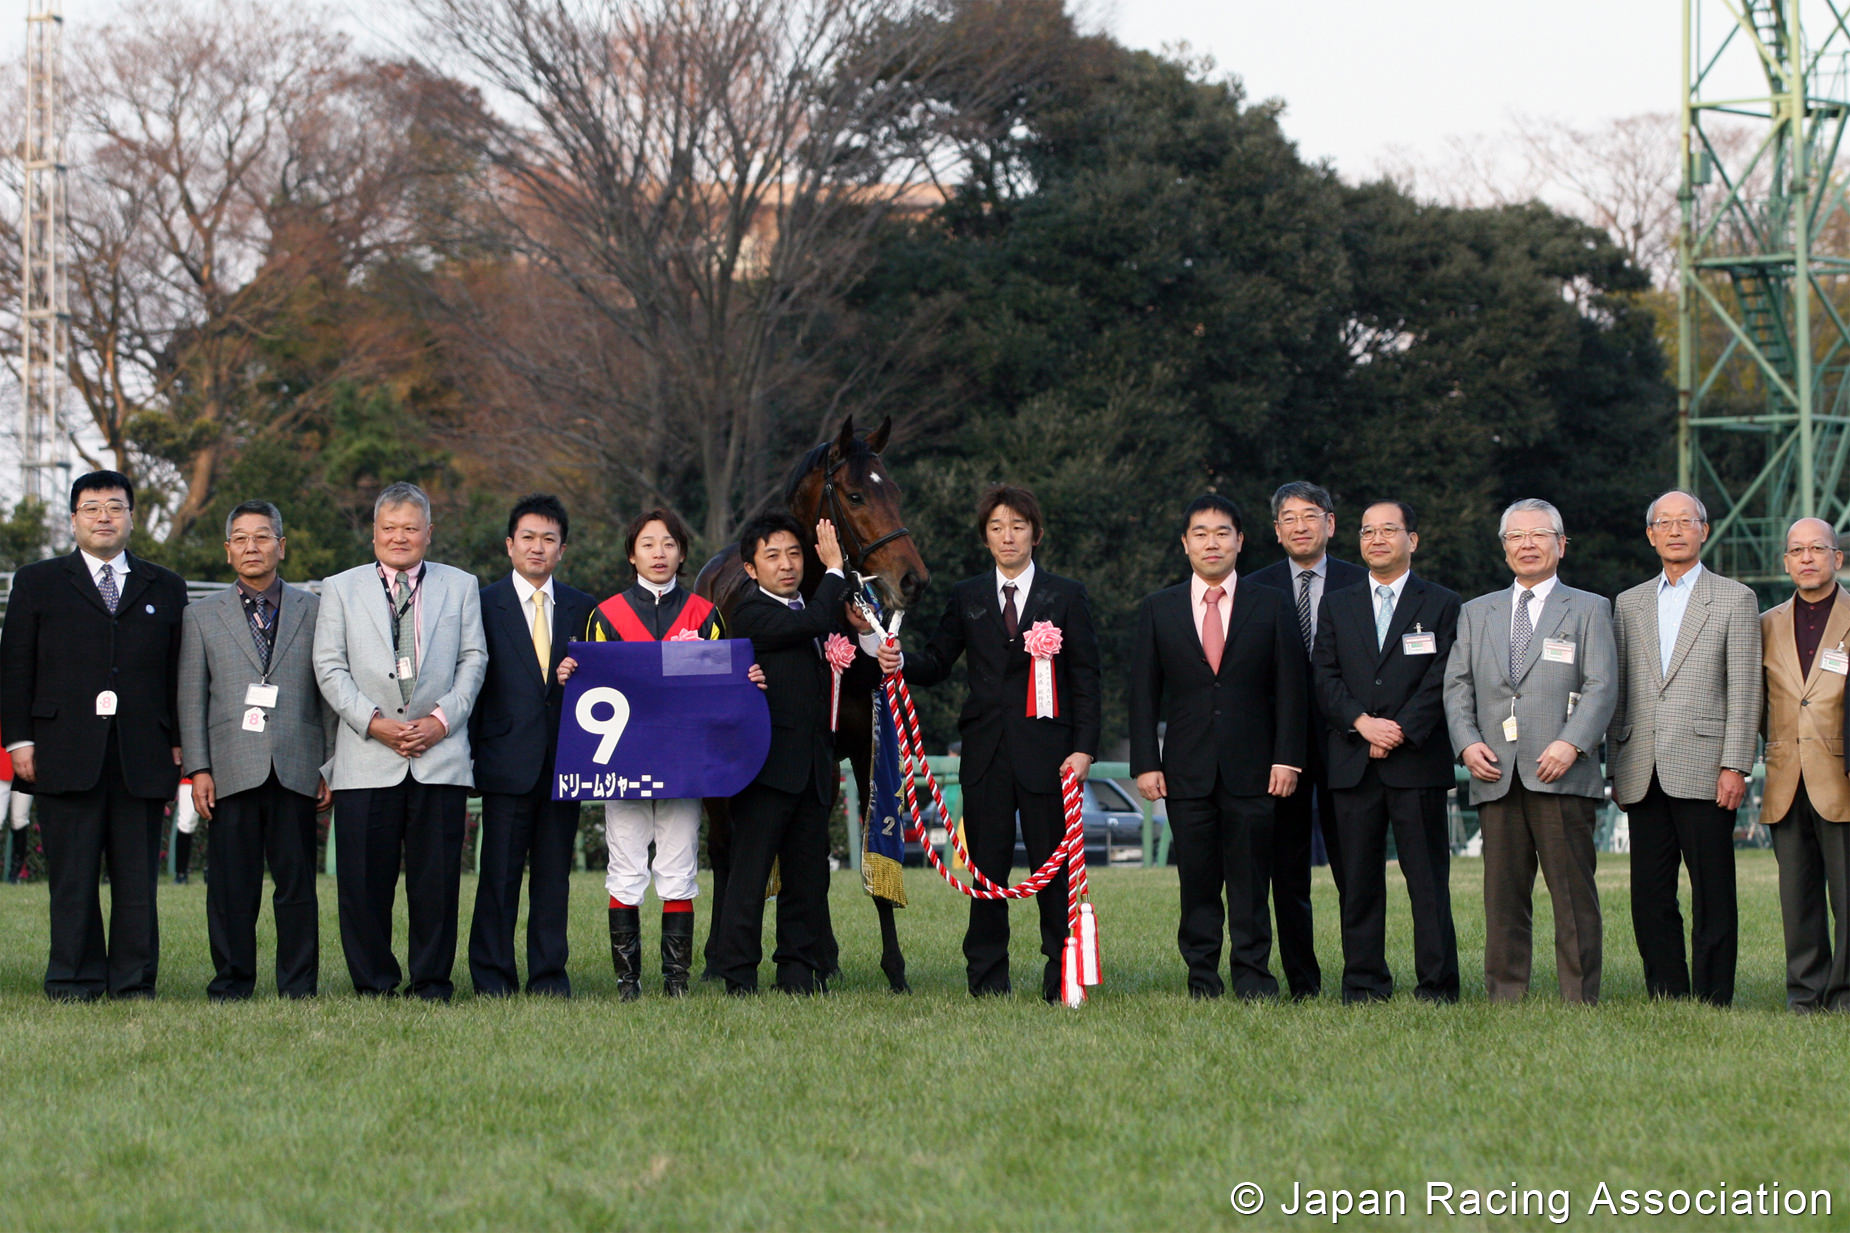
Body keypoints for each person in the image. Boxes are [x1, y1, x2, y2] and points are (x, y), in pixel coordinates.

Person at [874, 484, 1102, 1001]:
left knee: (1055, 870)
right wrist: (901, 661)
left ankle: (1061, 975)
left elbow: (1087, 679)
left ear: (1036, 535)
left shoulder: (1066, 595)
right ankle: (986, 978)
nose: (1007, 536)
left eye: (1018, 526)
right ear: (985, 538)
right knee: (985, 873)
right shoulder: (968, 595)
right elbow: (935, 661)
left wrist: (1084, 748)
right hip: (985, 755)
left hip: (1051, 757)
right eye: (997, 527)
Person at [0, 470, 188, 1000]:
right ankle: (73, 979)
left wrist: (180, 741)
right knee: (72, 878)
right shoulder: (36, 581)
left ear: (132, 516)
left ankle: (132, 982)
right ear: (73, 518)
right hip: (62, 750)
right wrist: (19, 741)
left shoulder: (166, 586)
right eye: (91, 507)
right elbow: (15, 667)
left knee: (136, 882)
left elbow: (180, 672)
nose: (103, 516)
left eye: (114, 506)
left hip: (143, 752)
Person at [313, 482, 487, 1001]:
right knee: (364, 884)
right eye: (389, 528)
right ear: (373, 534)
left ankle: (432, 981)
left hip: (439, 754)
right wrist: (373, 722)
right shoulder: (340, 588)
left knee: (436, 884)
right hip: (367, 754)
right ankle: (373, 982)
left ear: (428, 533)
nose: (399, 537)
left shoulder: (461, 586)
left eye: (410, 528)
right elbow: (329, 666)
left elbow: (473, 660)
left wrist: (440, 721)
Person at [1129, 493, 1306, 999]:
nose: (1212, 542)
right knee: (1197, 886)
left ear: (1241, 541)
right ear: (1185, 543)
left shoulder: (1271, 604)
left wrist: (1287, 756)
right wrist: (1146, 762)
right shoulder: (1158, 608)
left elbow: (1292, 688)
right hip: (1185, 771)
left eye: (1223, 532)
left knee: (1252, 886)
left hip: (1256, 770)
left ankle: (1254, 981)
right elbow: (1143, 694)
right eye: (1201, 533)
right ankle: (1202, 981)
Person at [1442, 498, 1616, 1004]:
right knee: (1502, 897)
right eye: (1515, 536)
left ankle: (1579, 996)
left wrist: (1572, 742)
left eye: (1539, 535)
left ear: (1561, 545)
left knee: (1572, 896)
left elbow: (1603, 684)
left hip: (1561, 770)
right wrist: (1467, 744)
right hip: (1495, 772)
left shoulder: (1588, 607)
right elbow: (1456, 688)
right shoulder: (1477, 612)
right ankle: (1505, 994)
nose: (1527, 545)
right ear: (1503, 548)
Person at [555, 506, 719, 1001]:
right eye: (648, 544)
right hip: (622, 762)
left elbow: (717, 687)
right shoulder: (604, 615)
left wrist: (746, 678)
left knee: (678, 866)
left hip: (682, 762)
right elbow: (594, 691)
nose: (659, 553)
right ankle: (628, 984)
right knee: (625, 869)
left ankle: (676, 984)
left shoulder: (706, 615)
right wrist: (570, 674)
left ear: (682, 552)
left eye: (668, 544)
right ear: (632, 554)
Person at [1608, 491, 1762, 1006]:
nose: (1675, 531)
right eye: (1663, 523)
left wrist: (1736, 763)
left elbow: (1745, 689)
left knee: (1713, 893)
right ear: (1650, 535)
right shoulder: (1627, 603)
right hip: (1641, 767)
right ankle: (1667, 993)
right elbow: (1620, 691)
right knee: (1649, 895)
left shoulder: (1735, 598)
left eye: (1685, 522)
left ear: (1704, 530)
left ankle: (1714, 996)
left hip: (1705, 765)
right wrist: (1616, 765)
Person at [177, 499, 335, 999]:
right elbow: (191, 696)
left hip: (296, 765)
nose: (252, 547)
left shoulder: (316, 610)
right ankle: (231, 982)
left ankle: (297, 986)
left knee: (296, 888)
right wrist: (198, 768)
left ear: (281, 546)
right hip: (229, 768)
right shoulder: (200, 616)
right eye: (241, 538)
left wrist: (328, 764)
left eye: (263, 536)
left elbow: (330, 691)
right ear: (227, 551)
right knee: (230, 890)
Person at [711, 514, 875, 995]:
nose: (787, 565)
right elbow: (806, 622)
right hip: (762, 770)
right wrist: (836, 573)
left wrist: (865, 634)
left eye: (795, 554)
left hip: (815, 770)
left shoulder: (822, 616)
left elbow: (857, 682)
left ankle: (797, 972)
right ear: (750, 567)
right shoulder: (749, 612)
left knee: (807, 881)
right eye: (773, 556)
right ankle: (738, 975)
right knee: (749, 878)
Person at [1310, 500, 1461, 1003]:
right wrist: (1361, 724)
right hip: (1351, 762)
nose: (1376, 539)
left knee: (1427, 883)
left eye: (1388, 530)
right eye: (1367, 531)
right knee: (1358, 884)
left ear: (1411, 540)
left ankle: (1437, 986)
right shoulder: (1337, 604)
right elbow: (1323, 676)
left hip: (1415, 761)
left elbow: (1444, 677)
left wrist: (1397, 731)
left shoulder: (1442, 603)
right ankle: (1364, 984)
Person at [466, 495, 596, 998]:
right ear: (509, 545)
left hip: (566, 764)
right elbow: (472, 685)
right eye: (528, 538)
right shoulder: (481, 604)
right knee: (497, 878)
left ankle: (548, 978)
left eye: (548, 539)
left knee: (552, 881)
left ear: (562, 549)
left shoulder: (585, 608)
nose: (537, 548)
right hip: (504, 761)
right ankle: (492, 978)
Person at [1247, 480, 1367, 998]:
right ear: (1276, 531)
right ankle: (1303, 983)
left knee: (1354, 870)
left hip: (1349, 744)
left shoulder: (1363, 584)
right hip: (1281, 751)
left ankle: (1363, 979)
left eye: (1310, 515)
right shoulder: (1255, 588)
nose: (1300, 526)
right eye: (1289, 518)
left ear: (1331, 524)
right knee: (1288, 872)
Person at [1759, 519, 1850, 1011]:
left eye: (1818, 549)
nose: (1808, 558)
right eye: (1797, 550)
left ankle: (1846, 995)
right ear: (1786, 562)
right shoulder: (1766, 623)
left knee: (1848, 901)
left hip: (1843, 779)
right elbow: (1756, 705)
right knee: (1798, 901)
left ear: (1838, 558)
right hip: (1785, 777)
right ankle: (1805, 995)